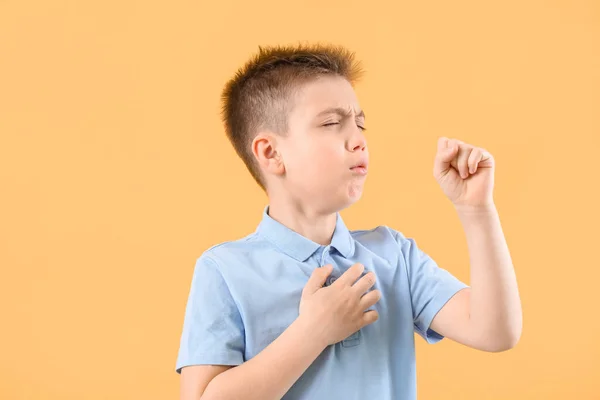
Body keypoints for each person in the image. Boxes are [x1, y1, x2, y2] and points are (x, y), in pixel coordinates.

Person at [175, 43, 522, 400]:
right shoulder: (225, 270)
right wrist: (313, 332)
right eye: (330, 123)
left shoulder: (394, 256)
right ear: (271, 153)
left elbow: (495, 331)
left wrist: (476, 211)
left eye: (360, 124)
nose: (358, 140)